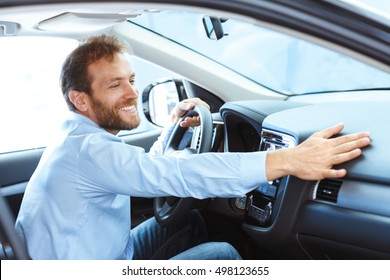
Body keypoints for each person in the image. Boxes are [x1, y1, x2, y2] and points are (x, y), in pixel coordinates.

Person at [15, 35, 370, 260]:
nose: (132, 93)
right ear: (80, 99)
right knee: (223, 255)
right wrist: (288, 159)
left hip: (109, 255)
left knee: (190, 222)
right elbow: (182, 174)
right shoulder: (89, 151)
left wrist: (169, 132)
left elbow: (139, 170)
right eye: (114, 85)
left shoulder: (79, 140)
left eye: (132, 80)